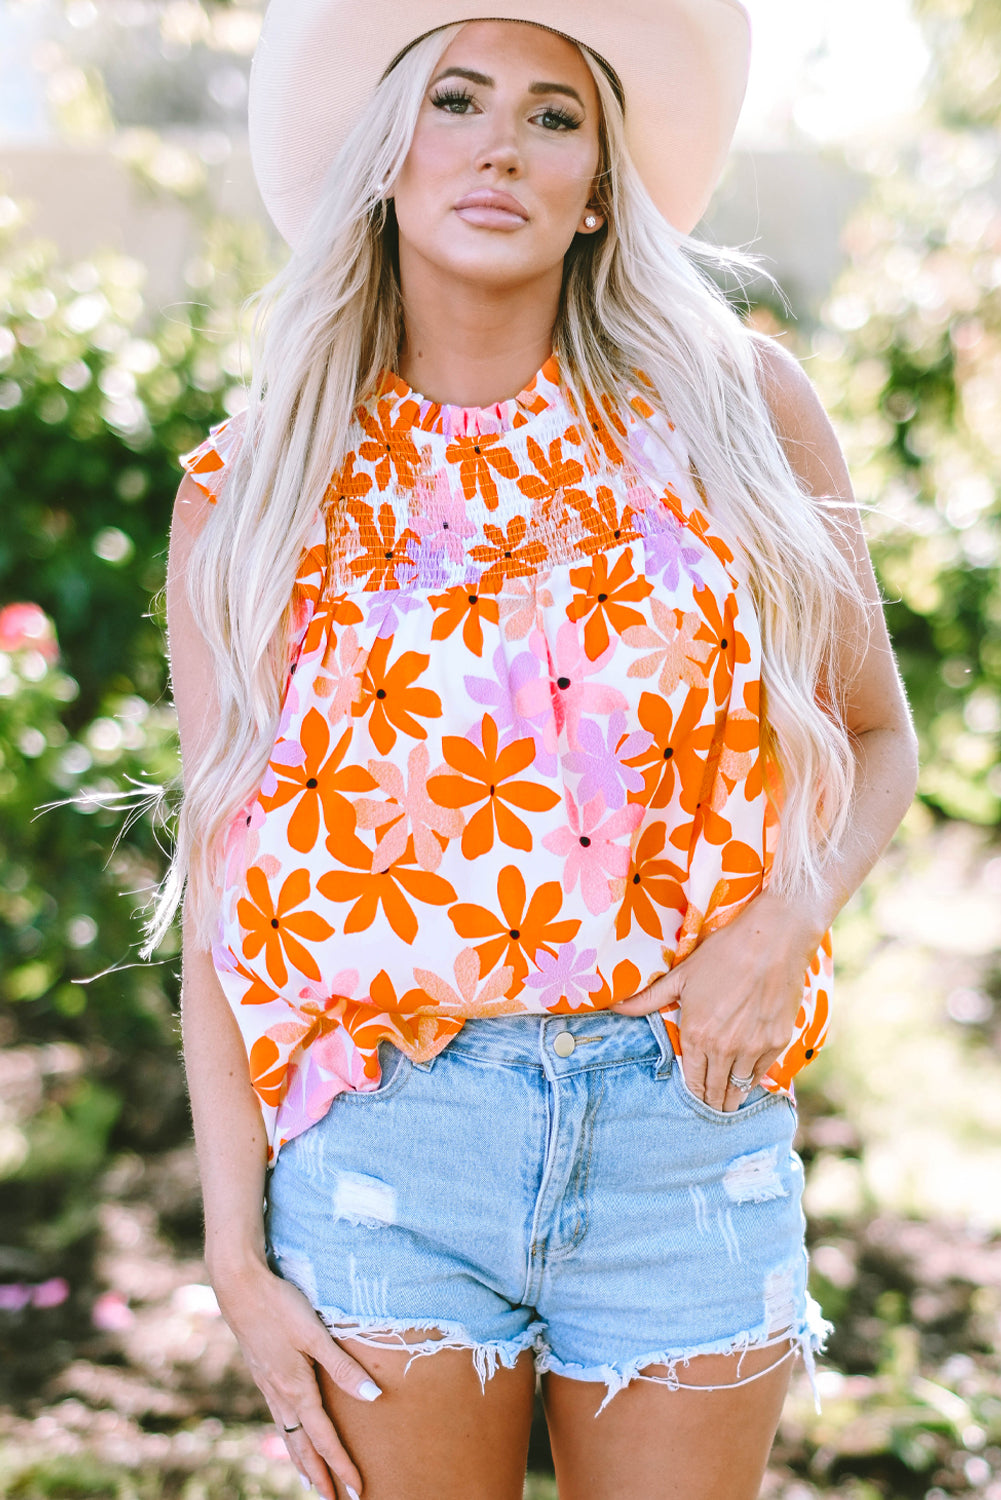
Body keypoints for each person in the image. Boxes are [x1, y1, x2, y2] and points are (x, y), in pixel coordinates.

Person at [159, 2, 919, 1496]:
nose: (502, 142)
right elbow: (222, 893)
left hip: (683, 1135)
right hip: (390, 1154)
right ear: (387, 155)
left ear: (596, 193)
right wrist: (233, 1253)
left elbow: (875, 734)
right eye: (457, 100)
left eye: (553, 115)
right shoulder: (254, 487)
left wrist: (783, 921)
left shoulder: (734, 412)